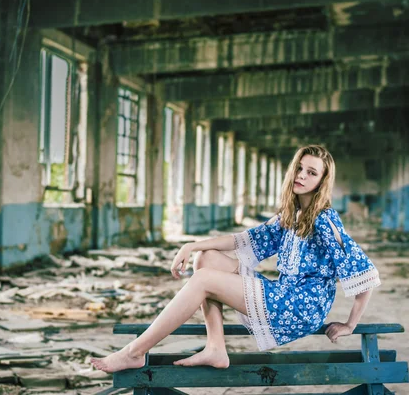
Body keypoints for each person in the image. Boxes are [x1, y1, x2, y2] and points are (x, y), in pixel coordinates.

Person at [91, 145, 381, 373]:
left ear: (322, 181)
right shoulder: (290, 216)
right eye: (300, 168)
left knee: (204, 280)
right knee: (206, 260)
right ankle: (216, 347)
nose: (302, 176)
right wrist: (192, 245)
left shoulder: (324, 219)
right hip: (284, 296)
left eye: (311, 172)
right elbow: (244, 239)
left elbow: (363, 273)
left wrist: (350, 325)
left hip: (300, 308)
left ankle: (134, 353)